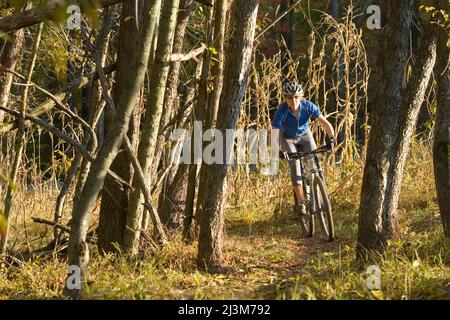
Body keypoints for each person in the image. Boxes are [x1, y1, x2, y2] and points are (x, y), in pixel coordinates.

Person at [272, 81, 336, 215]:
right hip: (287, 137)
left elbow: (325, 123)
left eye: (296, 97)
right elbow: (274, 134)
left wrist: (331, 139)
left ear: (301, 97)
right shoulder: (281, 111)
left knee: (313, 164)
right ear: (285, 98)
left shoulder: (308, 106)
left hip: (304, 135)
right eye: (289, 97)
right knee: (295, 165)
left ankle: (318, 197)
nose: (293, 100)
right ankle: (301, 203)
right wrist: (278, 151)